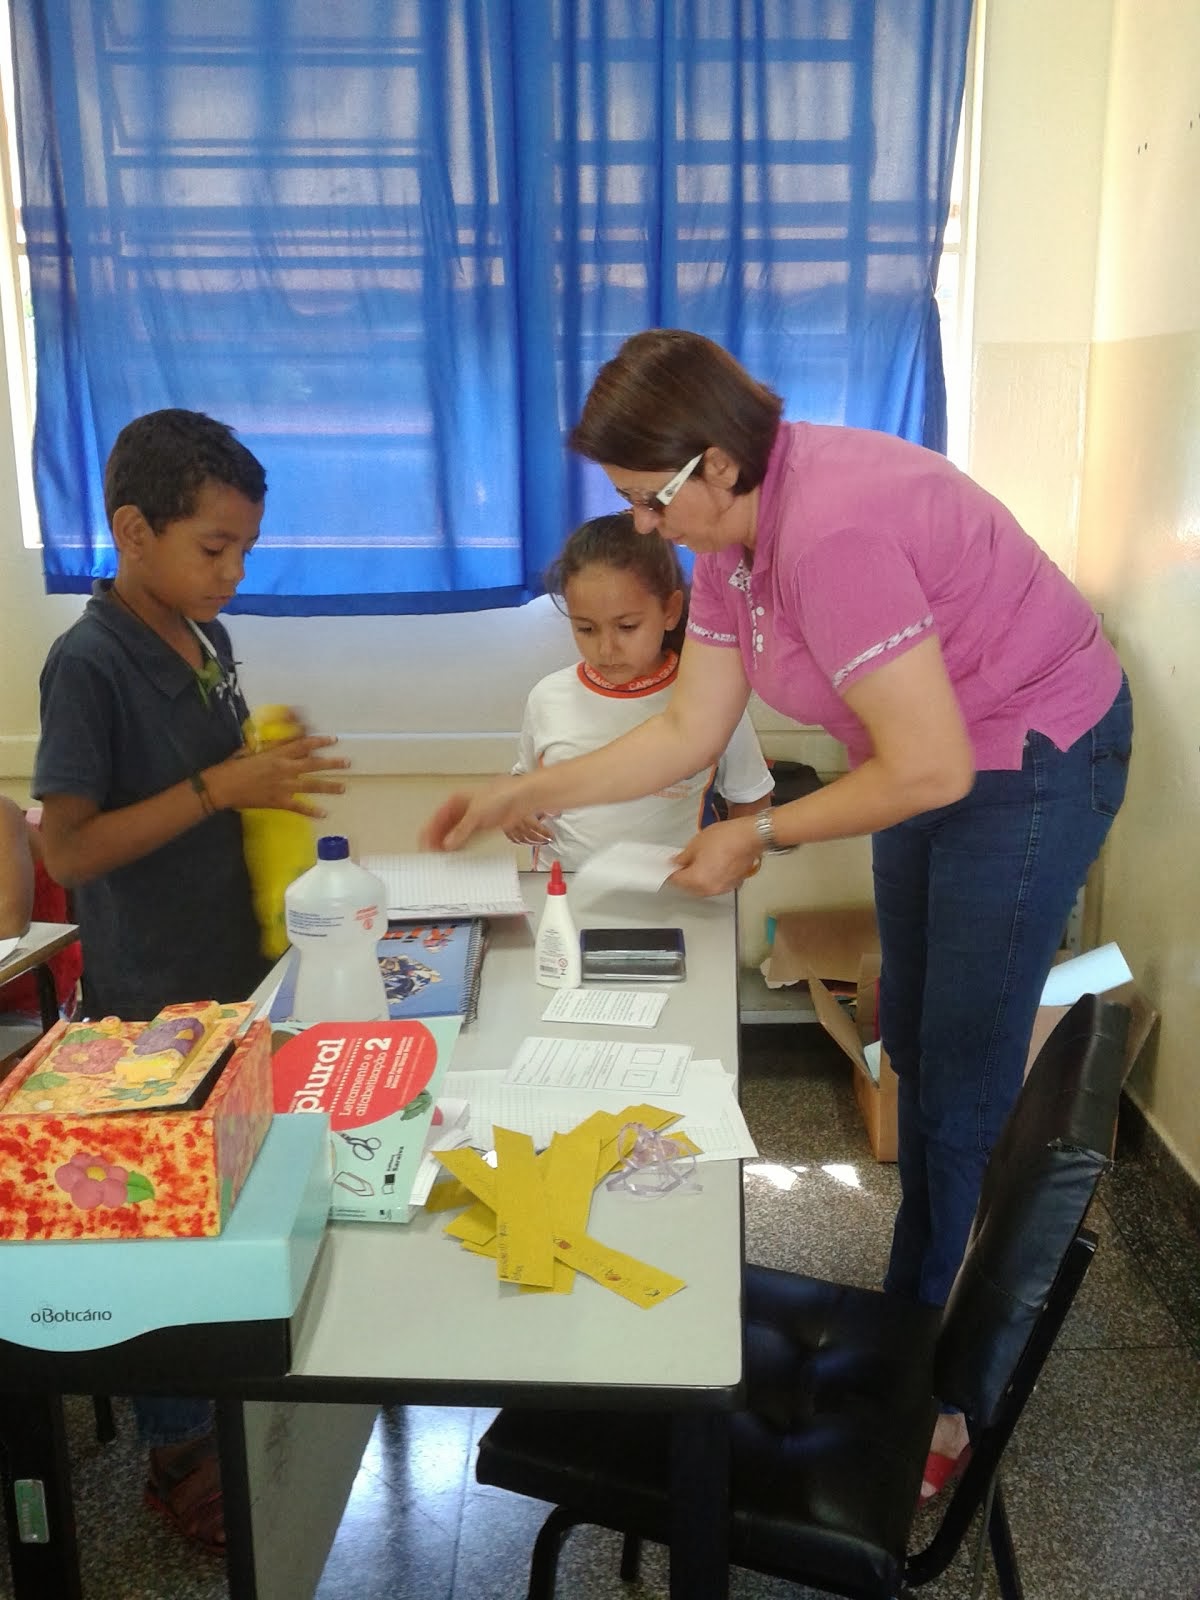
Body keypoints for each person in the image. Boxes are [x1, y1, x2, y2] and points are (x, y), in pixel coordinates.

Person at [421, 328, 1133, 1501]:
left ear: (715, 462)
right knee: (908, 1019)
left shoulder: (833, 529)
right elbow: (686, 731)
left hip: (1029, 756)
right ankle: (915, 1302)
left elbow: (933, 771)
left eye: (652, 500)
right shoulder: (734, 537)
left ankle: (938, 1390)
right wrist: (523, 789)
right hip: (929, 753)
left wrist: (755, 831)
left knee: (958, 1076)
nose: (645, 527)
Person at [32, 408, 348, 1551]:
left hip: (228, 976)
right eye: (214, 547)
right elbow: (65, 849)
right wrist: (228, 788)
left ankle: (225, 1406)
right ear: (132, 528)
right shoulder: (91, 660)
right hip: (147, 1004)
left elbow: (209, 782)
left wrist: (258, 764)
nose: (234, 569)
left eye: (245, 548)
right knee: (169, 1235)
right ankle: (179, 1453)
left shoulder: (202, 640)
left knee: (229, 1205)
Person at [505, 512, 773, 868]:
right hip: (564, 899)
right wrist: (514, 810)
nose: (606, 649)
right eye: (586, 628)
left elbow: (752, 799)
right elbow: (525, 783)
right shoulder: (547, 697)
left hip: (675, 901)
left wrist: (733, 864)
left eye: (627, 626)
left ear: (671, 610)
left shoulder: (711, 698)